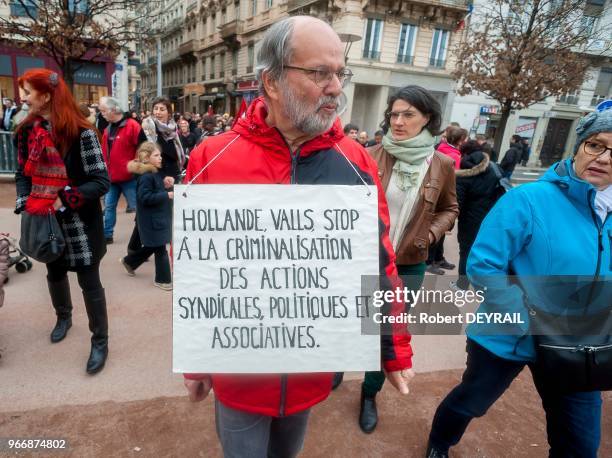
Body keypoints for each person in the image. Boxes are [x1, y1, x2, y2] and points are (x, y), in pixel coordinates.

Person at [183, 16, 415, 456]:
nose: (335, 87)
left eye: (339, 73)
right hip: (240, 372)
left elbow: (376, 262)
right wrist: (197, 360)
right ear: (271, 81)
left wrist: (392, 348)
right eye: (319, 73)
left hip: (312, 365)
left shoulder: (355, 161)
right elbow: (198, 272)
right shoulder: (213, 157)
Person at [427, 109, 612, 458]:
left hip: (580, 344)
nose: (603, 158)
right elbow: (484, 264)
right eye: (595, 145)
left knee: (580, 444)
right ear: (579, 146)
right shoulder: (526, 200)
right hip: (509, 334)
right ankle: (439, 441)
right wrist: (525, 317)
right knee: (471, 401)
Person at [358, 85, 458, 433]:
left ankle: (369, 393)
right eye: (394, 114)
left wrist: (428, 235)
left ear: (427, 118)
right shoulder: (369, 156)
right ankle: (336, 367)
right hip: (363, 260)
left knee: (383, 331)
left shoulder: (442, 163)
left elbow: (449, 207)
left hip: (409, 264)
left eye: (408, 115)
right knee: (349, 321)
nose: (398, 122)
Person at [14, 69, 111, 374]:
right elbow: (22, 174)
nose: (23, 98)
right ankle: (63, 317)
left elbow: (101, 181)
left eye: (28, 91)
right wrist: (24, 200)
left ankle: (100, 341)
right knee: (54, 273)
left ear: (46, 95)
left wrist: (64, 198)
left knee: (88, 280)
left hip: (80, 222)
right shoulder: (26, 132)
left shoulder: (82, 132)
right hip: (45, 221)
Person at [120, 142, 173, 291]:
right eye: (156, 155)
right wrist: (166, 194)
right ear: (146, 158)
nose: (160, 157)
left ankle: (129, 262)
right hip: (152, 219)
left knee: (154, 246)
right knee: (160, 248)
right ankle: (163, 280)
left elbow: (154, 190)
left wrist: (165, 185)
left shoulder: (153, 173)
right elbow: (145, 197)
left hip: (157, 218)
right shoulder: (146, 177)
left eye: (160, 155)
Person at [452, 139, 502, 290]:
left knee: (466, 250)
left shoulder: (463, 176)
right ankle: (482, 285)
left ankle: (462, 285)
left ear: (465, 154)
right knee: (485, 251)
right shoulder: (493, 167)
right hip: (491, 216)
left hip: (469, 219)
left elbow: (457, 203)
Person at [99, 96, 148, 242]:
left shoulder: (132, 125)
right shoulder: (107, 129)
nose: (102, 114)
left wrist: (136, 168)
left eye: (103, 111)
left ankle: (144, 236)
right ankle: (107, 235)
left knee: (139, 207)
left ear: (113, 110)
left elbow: (143, 148)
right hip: (112, 177)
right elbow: (104, 152)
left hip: (129, 177)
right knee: (109, 207)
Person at [141, 97, 185, 181]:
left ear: (169, 113)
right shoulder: (147, 128)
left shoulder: (174, 129)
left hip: (173, 175)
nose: (158, 112)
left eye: (162, 109)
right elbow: (143, 155)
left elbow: (177, 153)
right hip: (154, 176)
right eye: (155, 109)